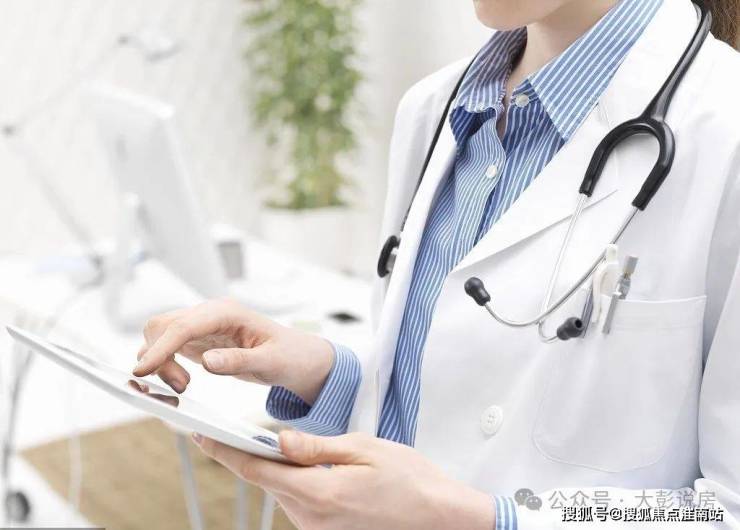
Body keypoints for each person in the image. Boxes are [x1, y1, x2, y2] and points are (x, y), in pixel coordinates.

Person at [133, 0, 740, 527]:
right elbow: (449, 400)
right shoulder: (434, 108)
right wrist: (323, 373)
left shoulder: (724, 131)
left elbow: (724, 510)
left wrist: (484, 520)